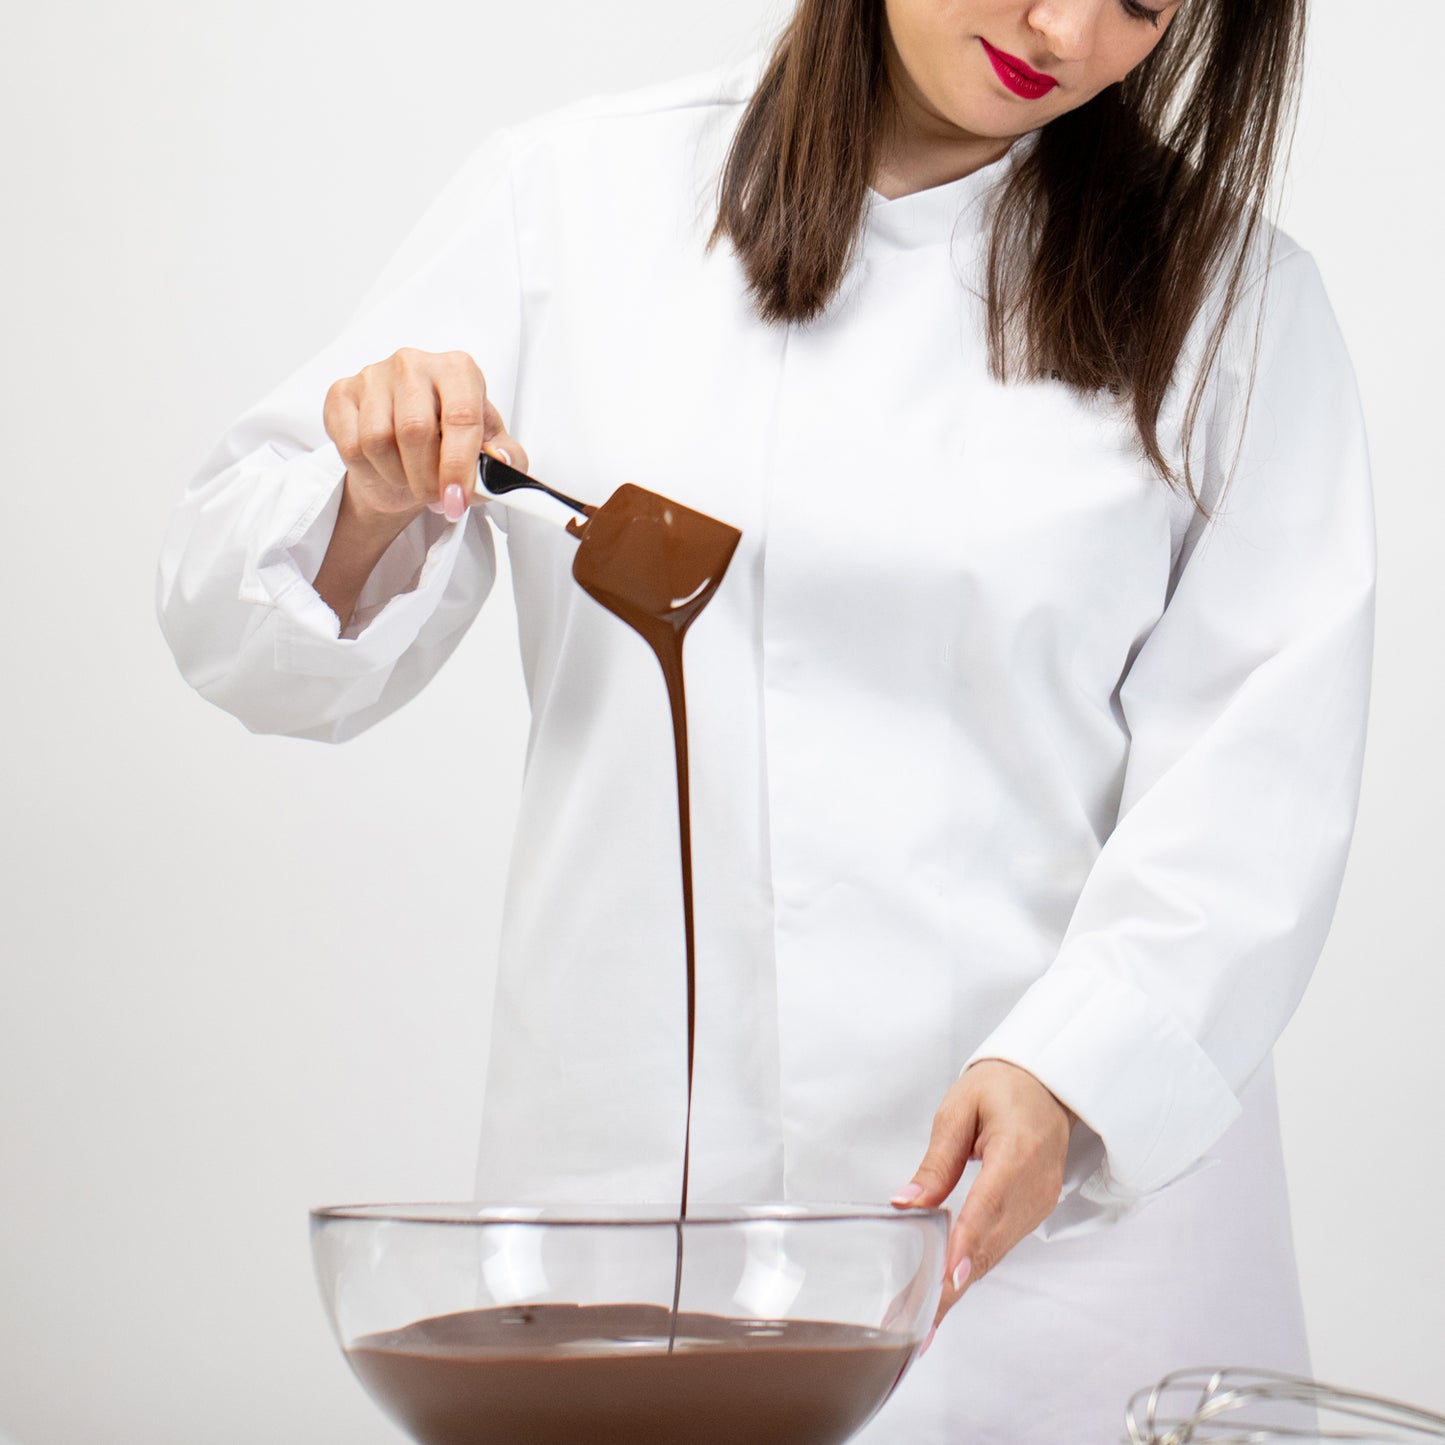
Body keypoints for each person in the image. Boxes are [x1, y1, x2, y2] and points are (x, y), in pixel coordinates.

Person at [156, 0, 1376, 1438]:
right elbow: (238, 632)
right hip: (645, 1211)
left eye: (1141, 4)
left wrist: (1075, 1069)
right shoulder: (574, 200)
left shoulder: (1233, 300)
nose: (1058, 29)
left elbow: (1256, 785)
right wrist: (367, 492)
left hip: (1052, 1256)